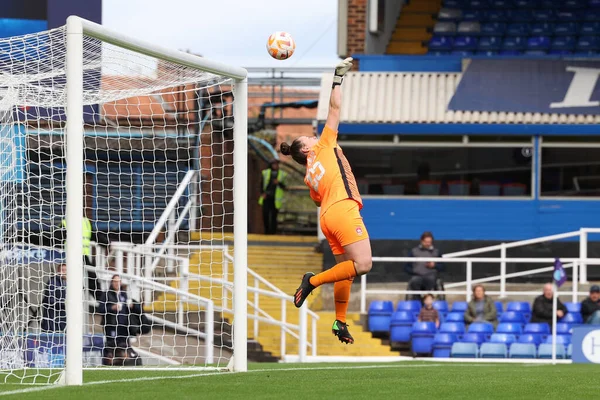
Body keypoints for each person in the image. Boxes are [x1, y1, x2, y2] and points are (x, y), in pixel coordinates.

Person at [282, 57, 371, 345]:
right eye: (309, 136)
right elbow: (335, 108)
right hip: (343, 209)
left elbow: (318, 198)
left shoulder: (308, 175)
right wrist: (337, 79)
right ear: (306, 147)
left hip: (327, 218)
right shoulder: (322, 146)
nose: (313, 135)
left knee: (346, 271)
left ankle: (340, 321)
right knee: (364, 264)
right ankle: (313, 281)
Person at [99, 275, 140, 366]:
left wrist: (130, 306)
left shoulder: (123, 294)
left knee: (124, 345)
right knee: (111, 345)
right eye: (115, 281)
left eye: (118, 281)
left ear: (121, 283)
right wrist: (112, 307)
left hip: (123, 325)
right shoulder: (106, 294)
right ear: (111, 282)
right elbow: (100, 309)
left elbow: (126, 309)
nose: (117, 283)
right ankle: (107, 364)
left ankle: (125, 364)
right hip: (111, 325)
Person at [61, 215, 100, 301]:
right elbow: (58, 237)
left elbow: (94, 235)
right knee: (76, 279)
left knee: (91, 278)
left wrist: (106, 242)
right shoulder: (66, 222)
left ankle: (102, 302)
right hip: (70, 256)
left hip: (82, 256)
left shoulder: (86, 222)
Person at [405, 232, 444, 301]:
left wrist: (434, 265)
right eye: (426, 242)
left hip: (431, 277)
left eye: (430, 242)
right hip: (417, 276)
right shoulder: (413, 251)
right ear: (422, 241)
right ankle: (417, 302)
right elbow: (406, 267)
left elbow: (443, 266)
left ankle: (430, 301)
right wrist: (414, 271)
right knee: (414, 281)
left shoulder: (437, 252)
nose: (428, 244)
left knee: (433, 281)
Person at [258, 159, 287, 235]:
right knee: (265, 215)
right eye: (273, 164)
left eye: (276, 164)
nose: (275, 166)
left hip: (275, 199)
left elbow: (284, 186)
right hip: (266, 197)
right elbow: (261, 184)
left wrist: (278, 182)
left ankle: (273, 232)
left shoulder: (282, 174)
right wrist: (262, 193)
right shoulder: (265, 173)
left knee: (274, 216)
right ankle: (266, 231)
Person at [41, 262, 67, 332]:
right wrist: (64, 303)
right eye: (63, 270)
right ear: (58, 271)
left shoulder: (70, 282)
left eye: (66, 270)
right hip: (54, 315)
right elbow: (50, 299)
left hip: (63, 314)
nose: (64, 272)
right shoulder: (54, 282)